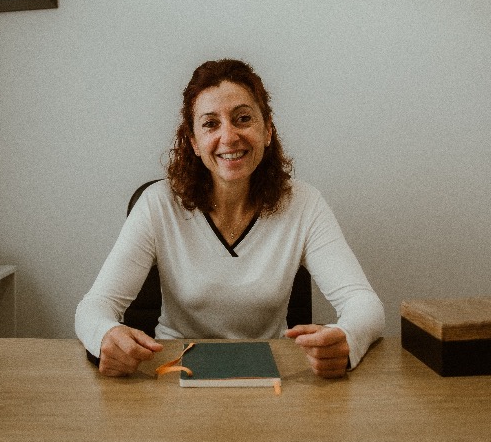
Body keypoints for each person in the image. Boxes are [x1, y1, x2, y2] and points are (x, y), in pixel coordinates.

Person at [75, 59, 384, 378]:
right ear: (193, 142)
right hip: (173, 369)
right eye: (210, 124)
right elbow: (94, 306)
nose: (229, 136)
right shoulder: (158, 204)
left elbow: (363, 302)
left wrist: (347, 339)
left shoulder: (303, 203)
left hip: (274, 372)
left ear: (267, 130)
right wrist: (104, 337)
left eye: (243, 118)